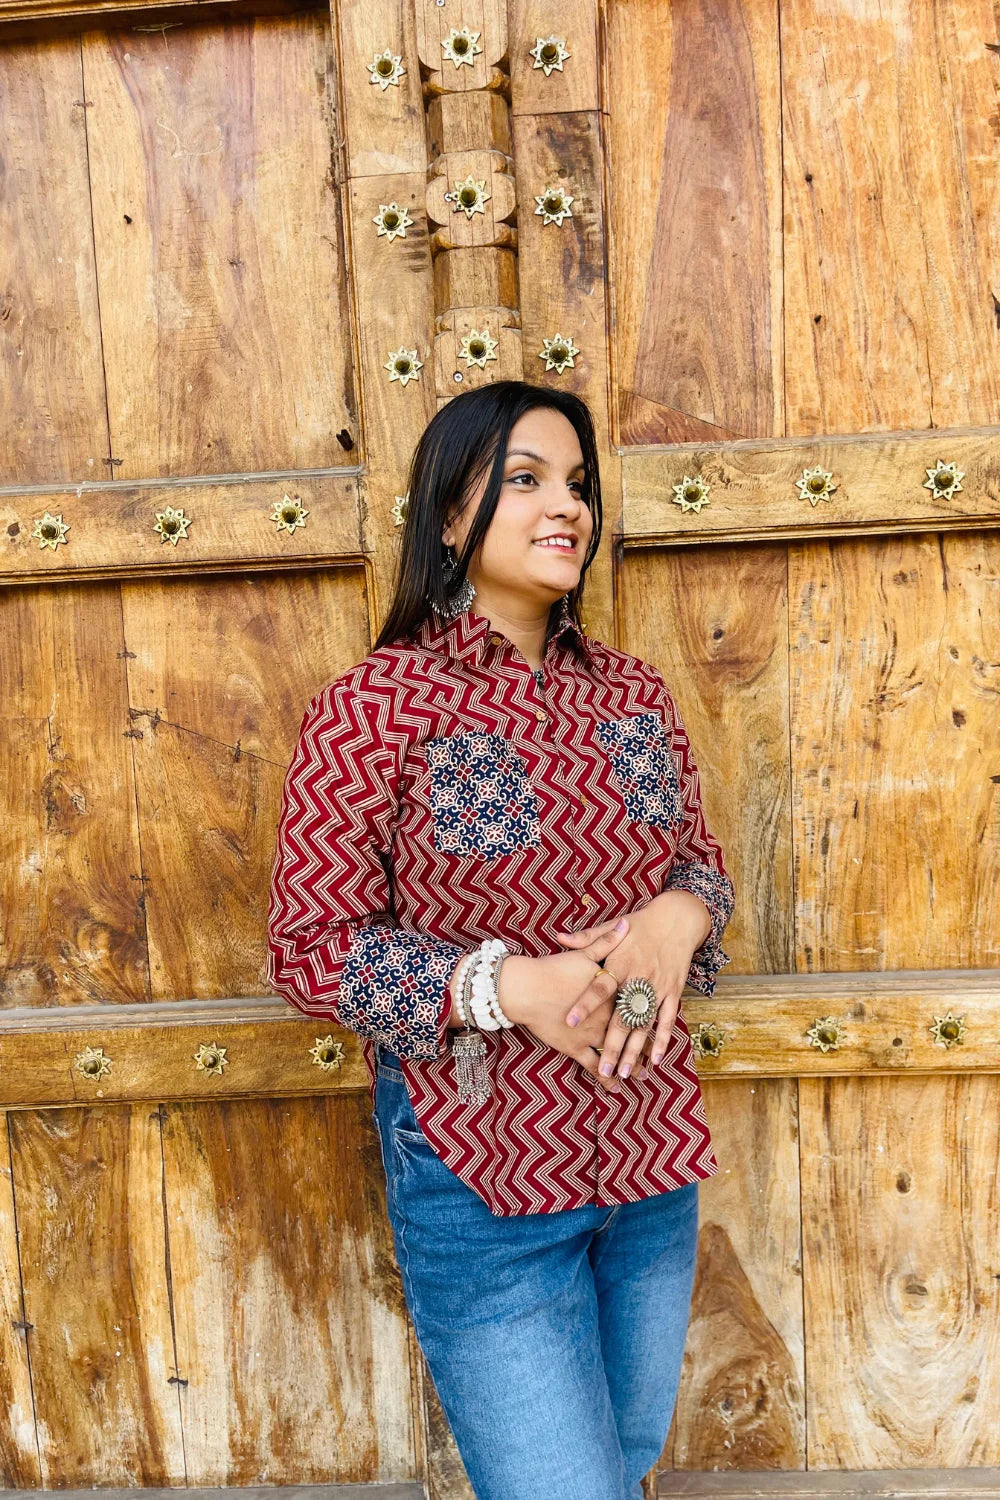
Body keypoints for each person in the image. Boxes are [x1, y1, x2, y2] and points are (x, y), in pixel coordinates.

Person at [266, 379, 735, 1500]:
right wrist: (509, 986)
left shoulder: (633, 696)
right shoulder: (374, 707)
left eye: (576, 483)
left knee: (619, 1474)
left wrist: (681, 915)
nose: (563, 505)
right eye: (523, 479)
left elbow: (698, 867)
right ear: (445, 517)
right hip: (478, 1161)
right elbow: (309, 947)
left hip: (648, 1153)